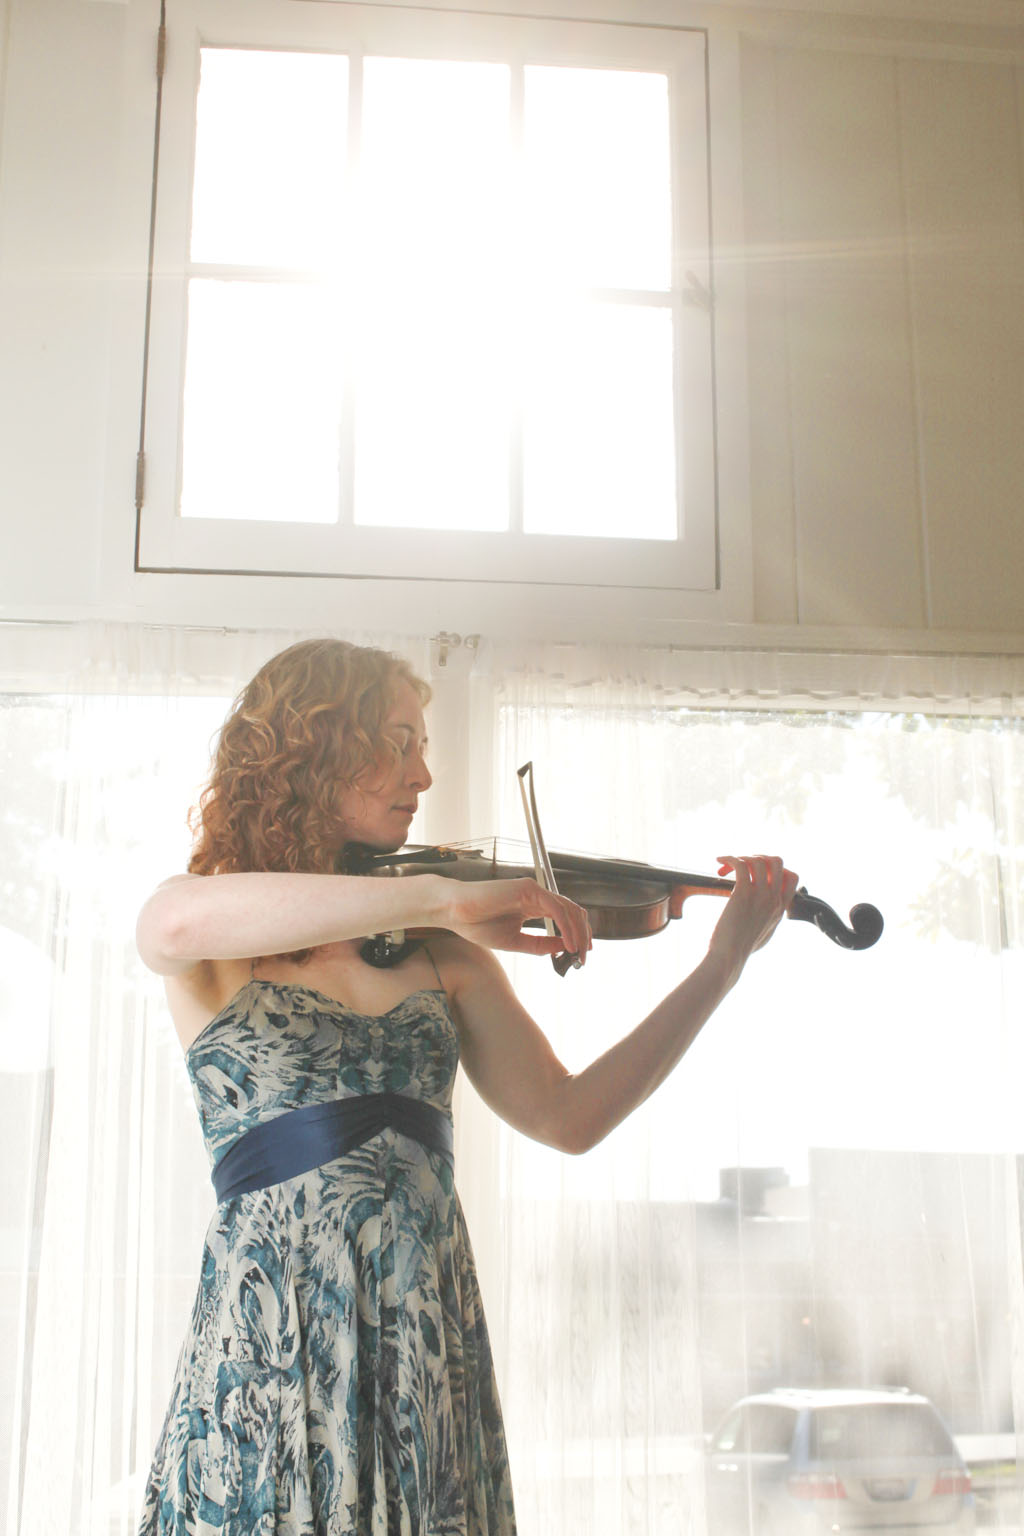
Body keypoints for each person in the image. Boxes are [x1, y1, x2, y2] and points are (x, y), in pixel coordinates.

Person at [135, 636, 796, 1536]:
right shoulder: (222, 932)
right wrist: (442, 896)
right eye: (400, 741)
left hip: (422, 1345)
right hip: (271, 1345)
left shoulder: (444, 957)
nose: (424, 775)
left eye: (424, 745)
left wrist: (719, 968)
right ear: (318, 748)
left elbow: (570, 1118)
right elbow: (166, 921)